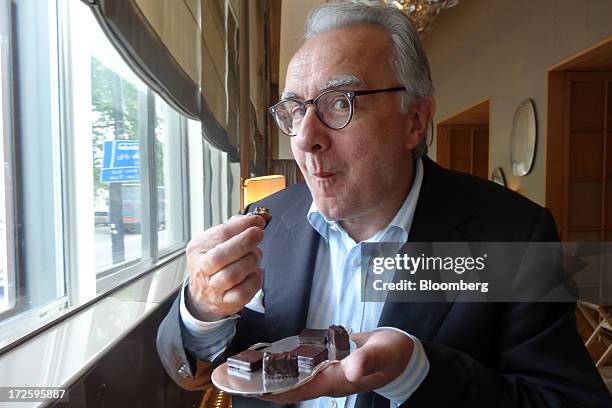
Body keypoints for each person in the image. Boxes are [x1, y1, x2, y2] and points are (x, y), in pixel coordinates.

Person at [157, 2, 610, 407]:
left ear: (415, 121)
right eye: (295, 110)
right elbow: (188, 359)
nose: (306, 138)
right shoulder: (265, 224)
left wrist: (416, 372)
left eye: (340, 103)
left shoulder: (509, 236)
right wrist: (201, 310)